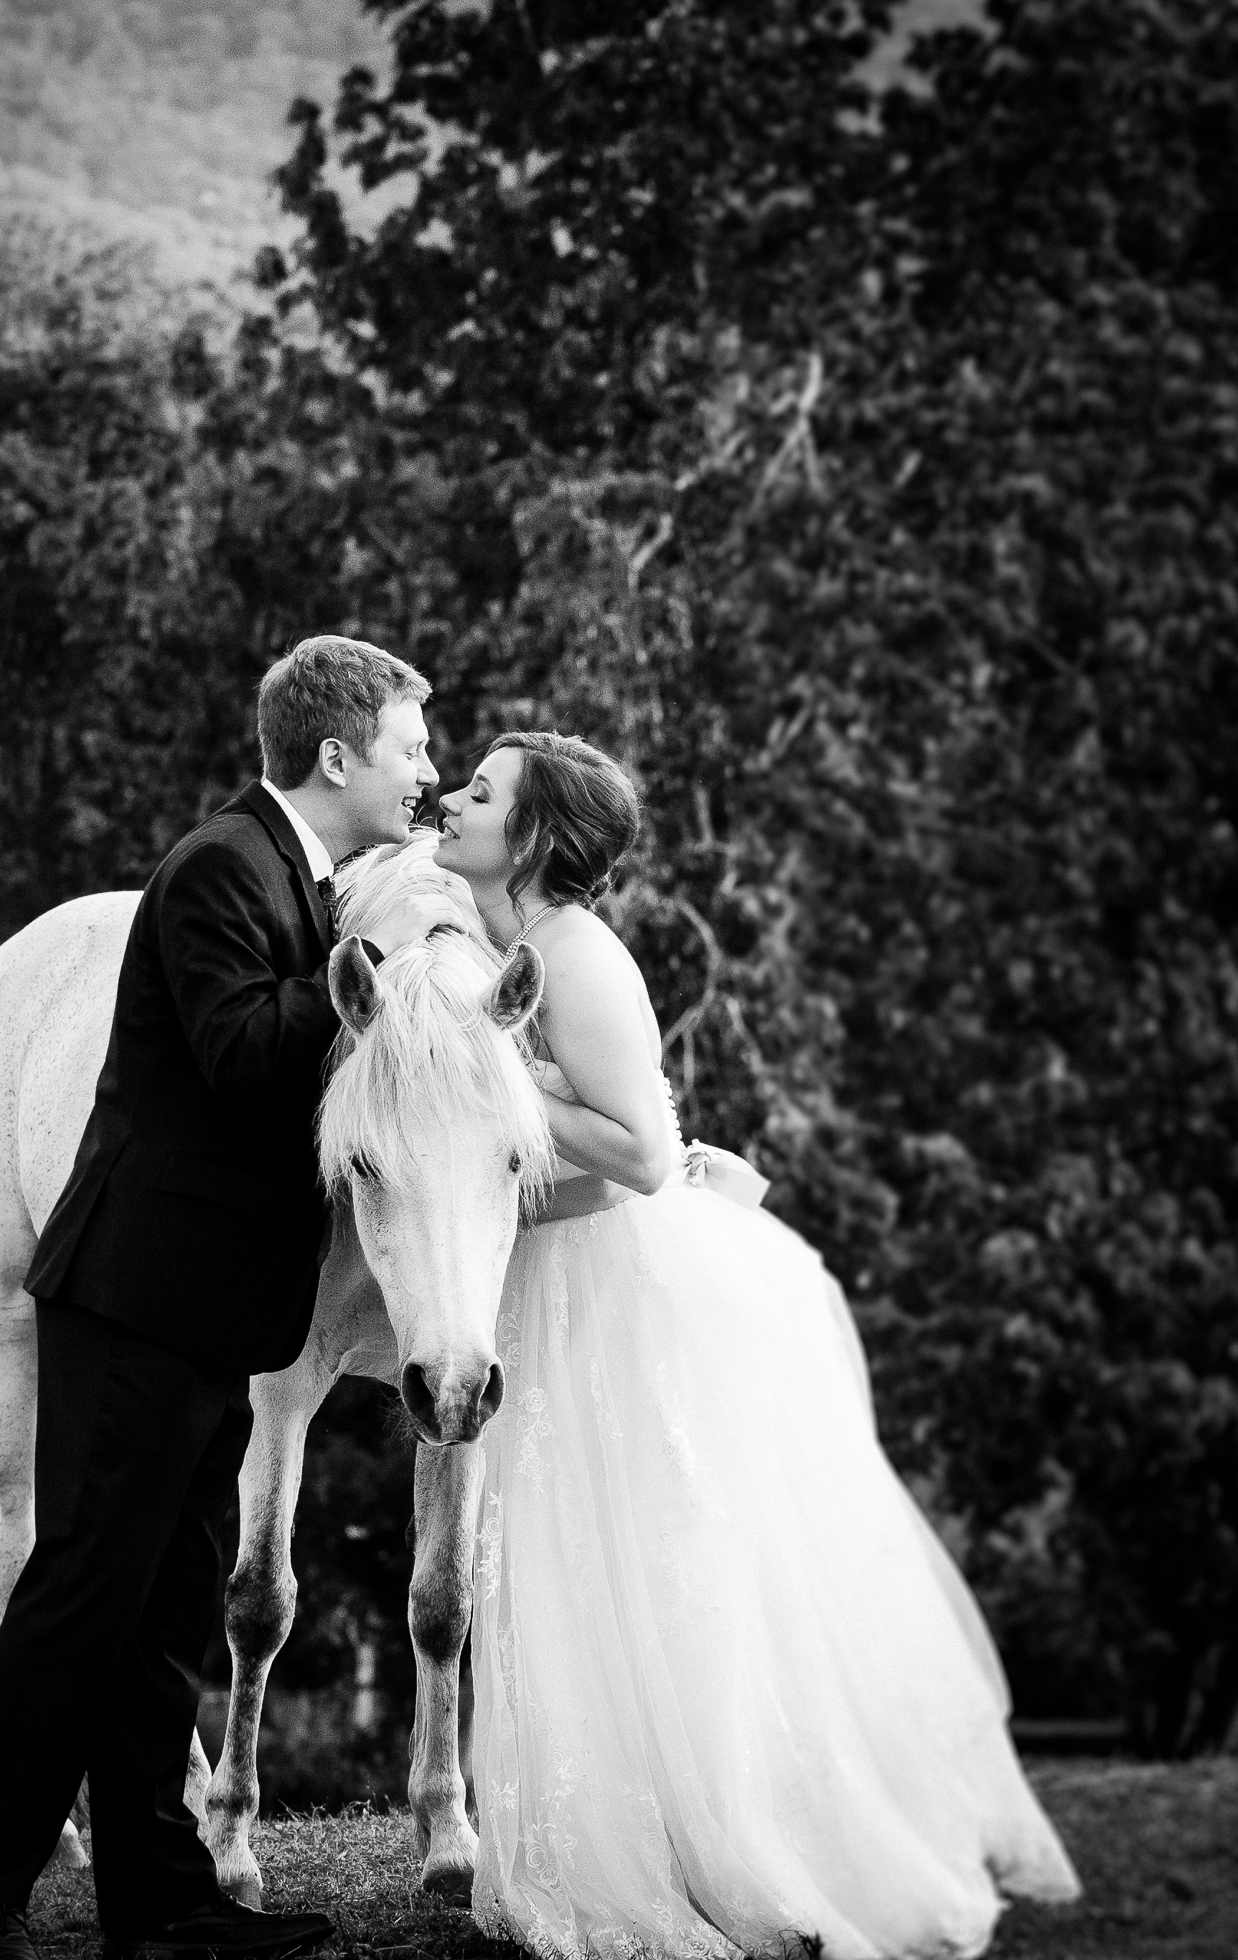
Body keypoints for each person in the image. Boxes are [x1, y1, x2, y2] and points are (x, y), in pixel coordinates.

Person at [434, 732, 1082, 1960]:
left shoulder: (575, 955)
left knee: (660, 1554)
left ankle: (725, 1840)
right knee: (579, 1553)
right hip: (563, 1271)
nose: (454, 802)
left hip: (626, 1286)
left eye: (482, 793)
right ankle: (628, 1825)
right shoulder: (507, 949)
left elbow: (633, 1151)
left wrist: (496, 1074)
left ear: (533, 837)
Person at [0, 636, 438, 1960]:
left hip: (216, 1313)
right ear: (335, 756)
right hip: (140, 1294)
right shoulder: (223, 866)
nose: (424, 771)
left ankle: (159, 1905)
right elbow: (231, 1051)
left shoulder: (301, 879)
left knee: (162, 1616)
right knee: (84, 1597)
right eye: (407, 746)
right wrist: (370, 1000)